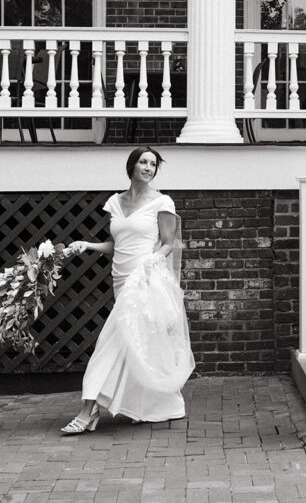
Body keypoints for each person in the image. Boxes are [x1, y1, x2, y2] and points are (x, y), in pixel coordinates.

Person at [61, 147, 194, 434]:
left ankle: (89, 409)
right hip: (120, 280)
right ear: (131, 166)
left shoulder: (162, 202)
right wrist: (88, 245)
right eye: (143, 162)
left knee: (110, 342)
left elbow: (168, 243)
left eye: (153, 164)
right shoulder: (115, 202)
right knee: (132, 343)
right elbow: (117, 246)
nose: (148, 167)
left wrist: (150, 265)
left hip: (144, 280)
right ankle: (152, 405)